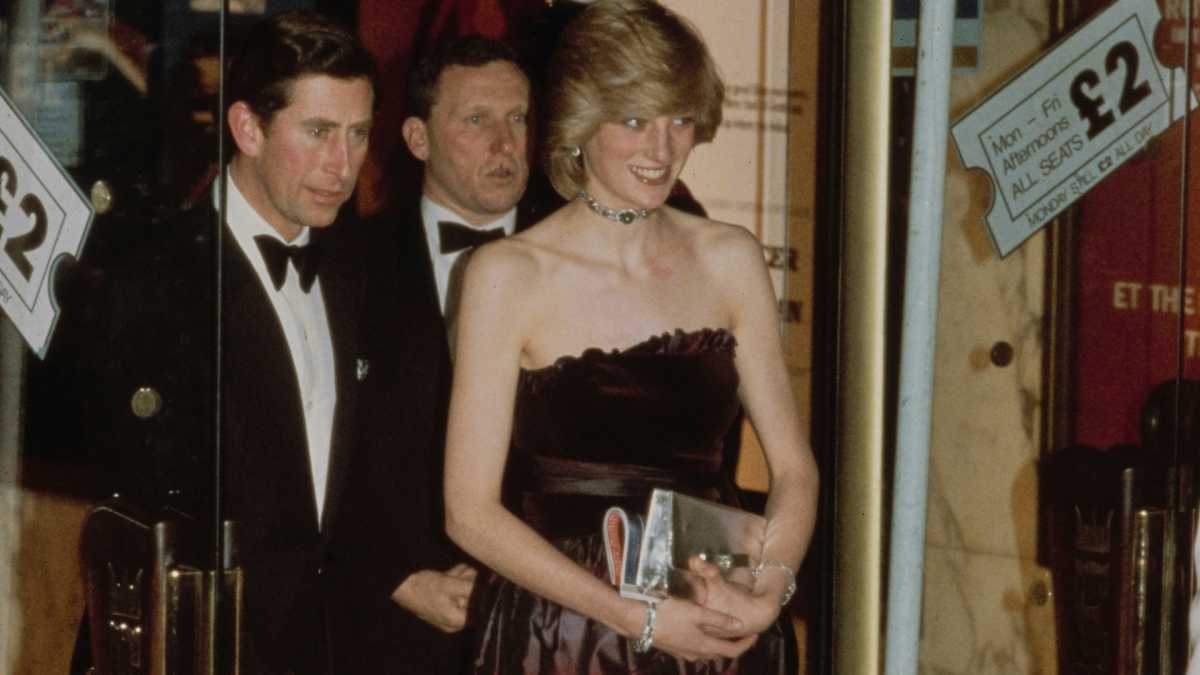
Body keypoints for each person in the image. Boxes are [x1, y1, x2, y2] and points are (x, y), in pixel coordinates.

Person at [442, 1, 819, 673]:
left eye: (678, 119)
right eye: (635, 120)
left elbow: (793, 469)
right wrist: (634, 615)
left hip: (712, 609)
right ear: (581, 124)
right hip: (562, 633)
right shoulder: (507, 273)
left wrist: (768, 590)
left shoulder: (729, 257)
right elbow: (469, 512)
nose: (662, 148)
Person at [77, 11, 393, 674]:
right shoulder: (154, 276)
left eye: (358, 133)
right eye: (318, 132)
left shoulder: (358, 269)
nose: (343, 163)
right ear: (247, 127)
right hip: (190, 645)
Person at [344, 33, 539, 673]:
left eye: (517, 118)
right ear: (417, 139)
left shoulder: (580, 260)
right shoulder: (348, 269)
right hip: (387, 628)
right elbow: (300, 453)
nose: (505, 143)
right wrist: (399, 577)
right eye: (477, 120)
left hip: (552, 625)